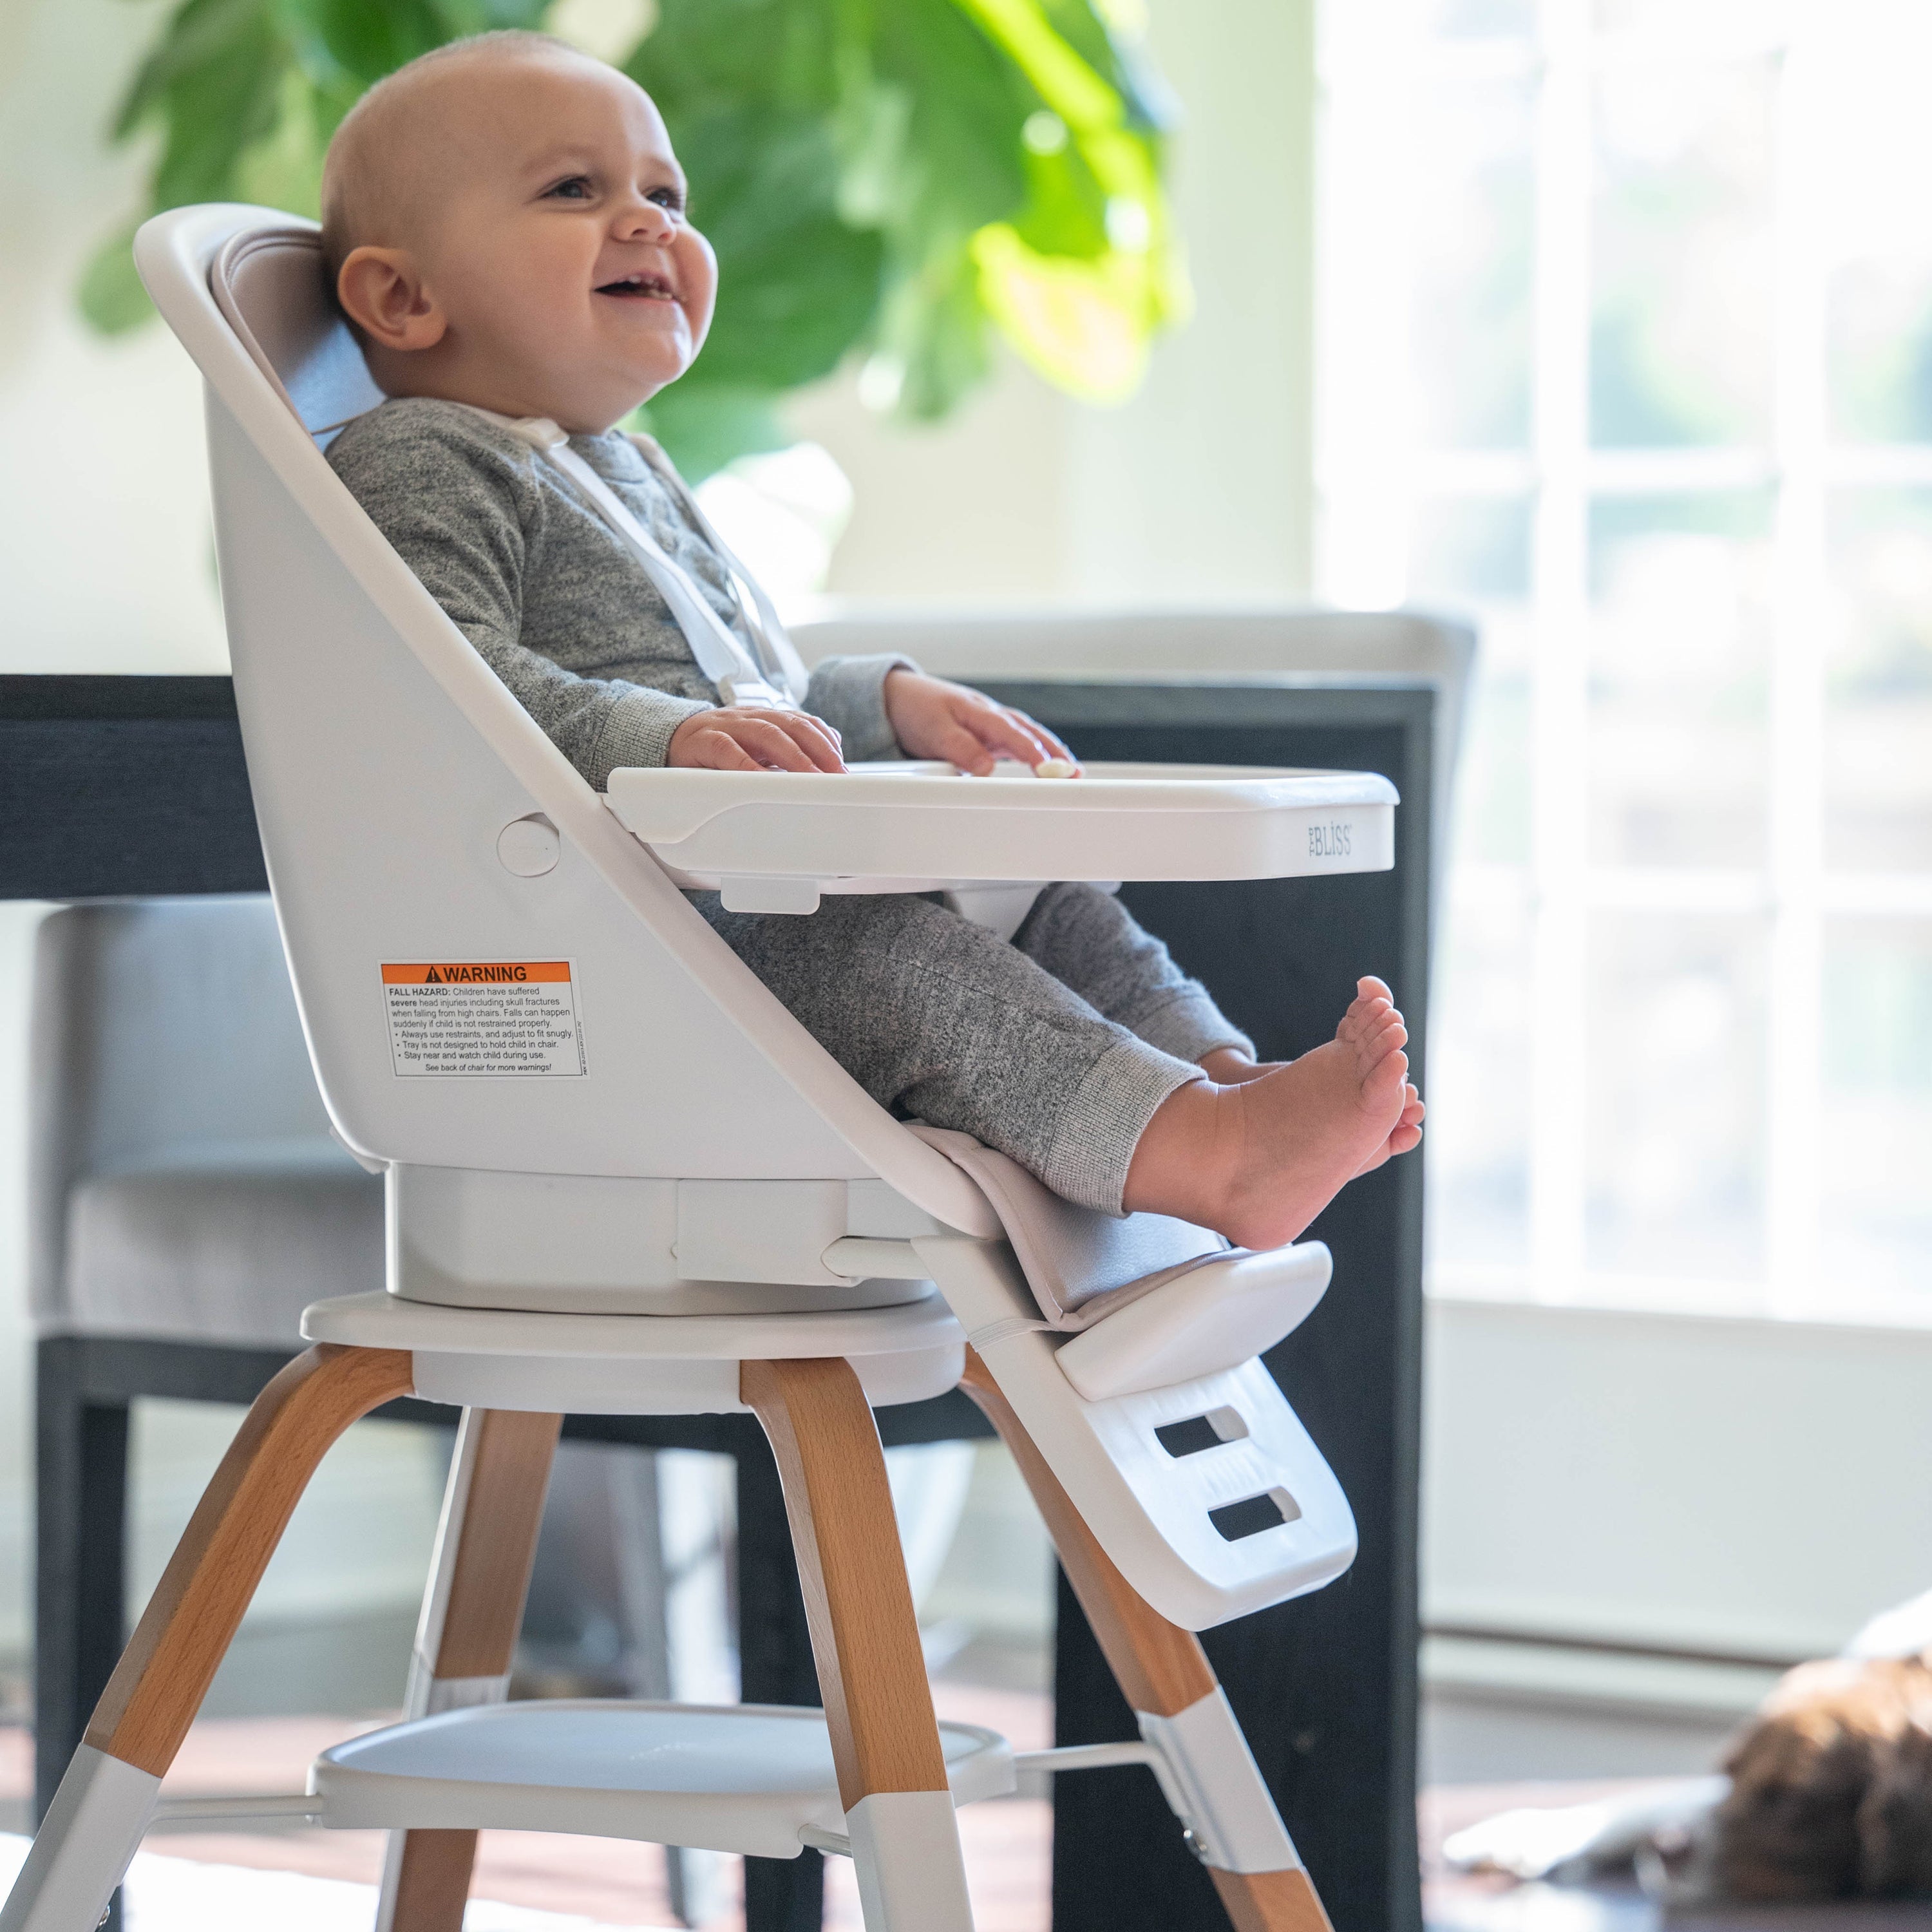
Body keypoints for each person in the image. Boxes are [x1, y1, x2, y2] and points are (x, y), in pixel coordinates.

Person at [320, 30, 1423, 1247]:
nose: (646, 221)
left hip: (723, 888)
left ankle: (1217, 1086)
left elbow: (739, 687)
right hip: (617, 954)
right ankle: (1205, 1154)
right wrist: (670, 735)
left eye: (665, 194)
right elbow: (434, 690)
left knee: (1043, 898)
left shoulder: (621, 465)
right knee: (889, 958)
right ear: (403, 298)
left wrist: (872, 700)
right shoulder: (422, 456)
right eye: (574, 189)